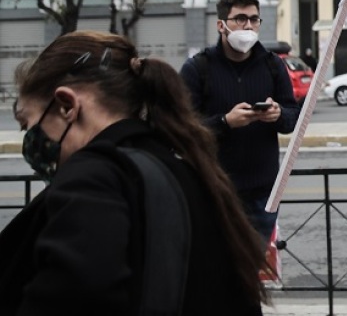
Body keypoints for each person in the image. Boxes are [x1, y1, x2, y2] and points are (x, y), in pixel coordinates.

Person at [0, 31, 266, 314]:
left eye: (26, 123)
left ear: (67, 105)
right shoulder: (190, 175)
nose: (28, 138)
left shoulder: (92, 180)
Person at [180, 0, 299, 244]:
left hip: (263, 191)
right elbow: (182, 128)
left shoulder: (273, 65)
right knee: (218, 267)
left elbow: (292, 118)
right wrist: (225, 122)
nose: (248, 26)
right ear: (221, 25)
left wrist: (278, 114)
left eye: (254, 19)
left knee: (253, 264)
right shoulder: (197, 68)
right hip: (214, 188)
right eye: (240, 19)